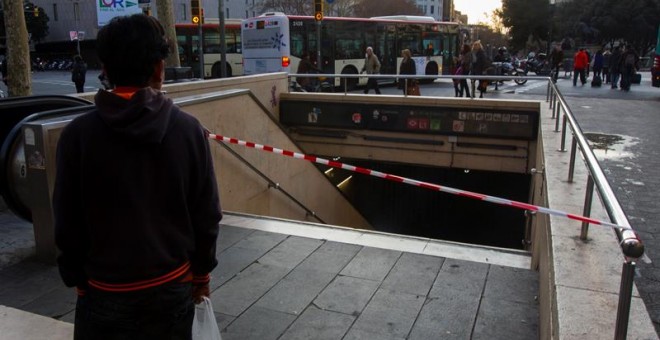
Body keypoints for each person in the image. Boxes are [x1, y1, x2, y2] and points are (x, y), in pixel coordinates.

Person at [53, 14, 222, 339]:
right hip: (172, 288)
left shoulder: (77, 137)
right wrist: (201, 275)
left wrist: (77, 278)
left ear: (105, 68)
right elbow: (207, 215)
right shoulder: (188, 131)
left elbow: (67, 221)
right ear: (159, 68)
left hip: (103, 292)